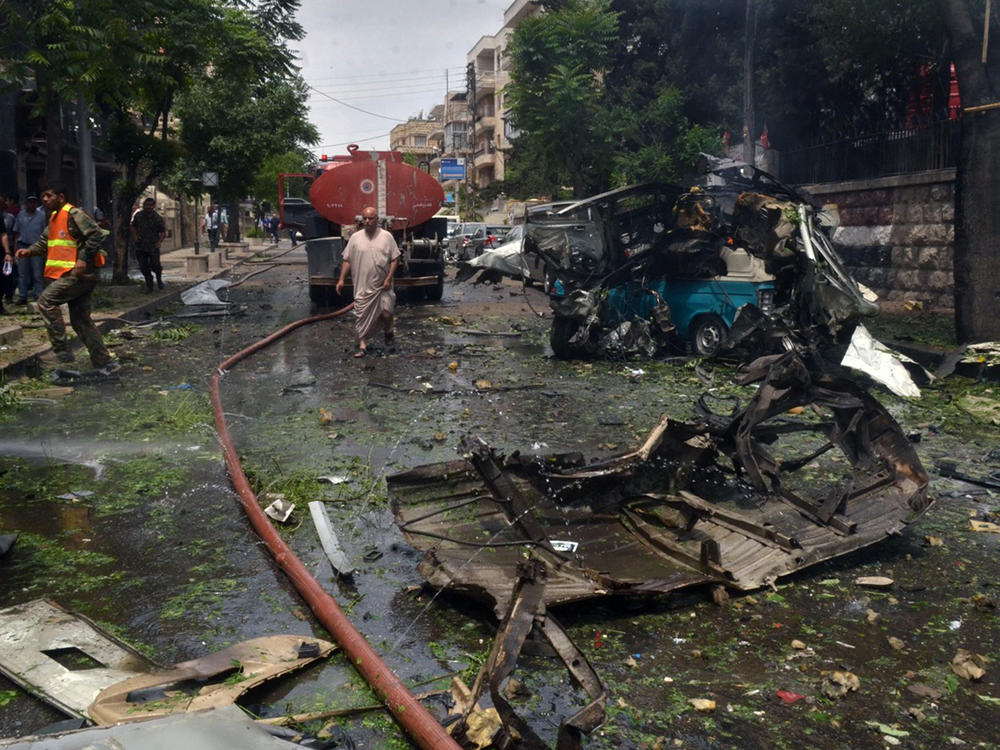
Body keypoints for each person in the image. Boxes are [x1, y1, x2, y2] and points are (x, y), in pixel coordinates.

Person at [15, 184, 119, 373]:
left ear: (61, 197)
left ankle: (62, 350)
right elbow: (45, 243)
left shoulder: (73, 213)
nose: (44, 199)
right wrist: (28, 252)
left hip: (79, 274)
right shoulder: (54, 217)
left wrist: (82, 259)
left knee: (46, 301)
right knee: (81, 321)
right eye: (43, 196)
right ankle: (105, 362)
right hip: (70, 275)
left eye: (49, 196)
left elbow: (95, 234)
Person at [335, 206, 400, 357]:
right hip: (362, 285)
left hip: (383, 285)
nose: (367, 221)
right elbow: (347, 259)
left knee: (386, 313)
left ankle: (388, 332)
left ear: (377, 220)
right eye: (364, 218)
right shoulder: (355, 238)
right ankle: (362, 345)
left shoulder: (386, 237)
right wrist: (341, 279)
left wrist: (389, 278)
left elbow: (395, 258)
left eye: (370, 218)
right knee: (361, 315)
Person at [11, 194, 46, 304]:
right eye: (30, 202)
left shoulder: (42, 216)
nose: (32, 204)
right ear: (26, 203)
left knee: (37, 273)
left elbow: (45, 232)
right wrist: (15, 246)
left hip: (36, 247)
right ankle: (22, 297)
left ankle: (38, 296)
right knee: (22, 273)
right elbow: (17, 232)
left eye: (34, 202)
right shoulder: (20, 215)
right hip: (23, 246)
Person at [130, 197, 166, 292]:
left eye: (150, 205)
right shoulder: (138, 216)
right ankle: (149, 285)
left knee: (155, 265)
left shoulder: (157, 218)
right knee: (143, 267)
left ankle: (159, 280)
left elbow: (163, 232)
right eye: (146, 205)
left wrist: (159, 242)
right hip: (140, 245)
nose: (148, 207)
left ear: (153, 206)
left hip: (153, 245)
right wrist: (135, 237)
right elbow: (133, 227)